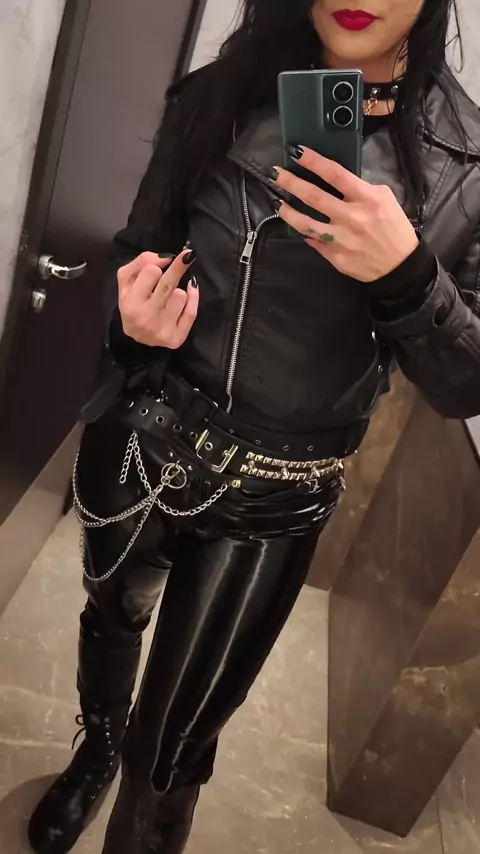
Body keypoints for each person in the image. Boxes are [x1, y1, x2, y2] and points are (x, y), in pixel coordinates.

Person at [28, 0, 480, 852]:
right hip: (148, 435)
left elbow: (466, 383)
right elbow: (138, 245)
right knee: (110, 617)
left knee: (170, 762)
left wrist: (409, 276)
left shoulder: (470, 167)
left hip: (276, 496)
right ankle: (95, 753)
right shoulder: (217, 97)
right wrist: (133, 320)